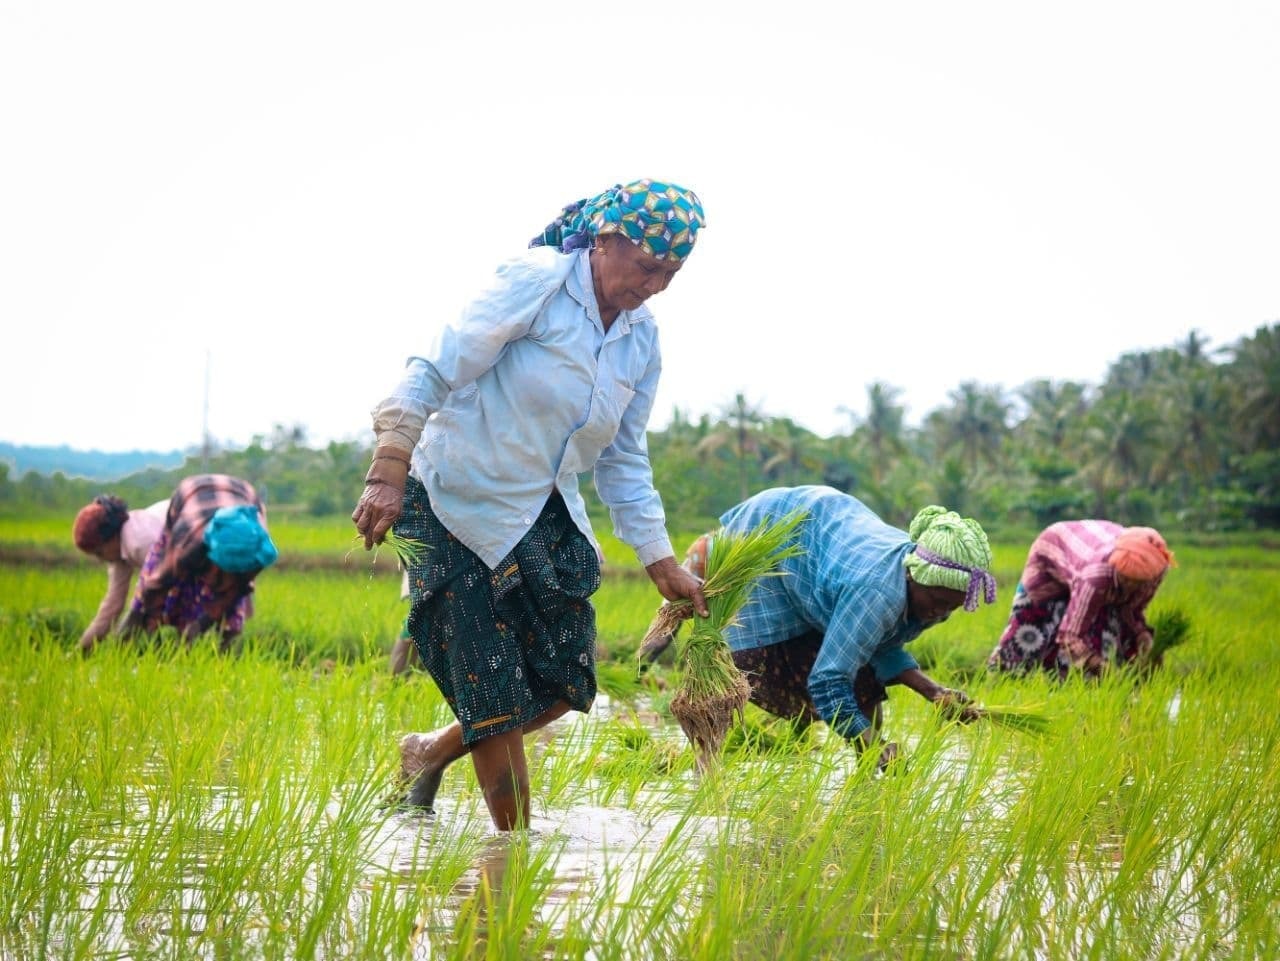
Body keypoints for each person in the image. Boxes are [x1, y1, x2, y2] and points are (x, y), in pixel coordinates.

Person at [352, 179, 710, 831]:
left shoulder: (640, 338)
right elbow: (438, 363)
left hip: (541, 507)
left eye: (671, 273)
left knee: (563, 679)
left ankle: (427, 750)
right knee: (488, 685)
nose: (655, 284)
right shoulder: (538, 282)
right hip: (454, 498)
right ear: (605, 241)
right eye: (648, 265)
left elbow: (624, 456)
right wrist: (388, 465)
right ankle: (512, 855)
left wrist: (661, 563)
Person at [641, 485, 998, 770]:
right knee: (734, 667)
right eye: (935, 601)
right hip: (780, 539)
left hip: (825, 552)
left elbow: (877, 642)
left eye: (949, 608)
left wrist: (933, 692)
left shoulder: (921, 594)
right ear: (913, 573)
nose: (937, 613)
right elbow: (827, 681)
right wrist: (874, 746)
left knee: (863, 679)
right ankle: (706, 777)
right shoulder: (876, 592)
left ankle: (865, 785)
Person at [74, 474, 277, 653]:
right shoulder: (188, 546)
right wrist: (137, 619)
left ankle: (221, 653)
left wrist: (202, 623)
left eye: (99, 552)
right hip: (192, 496)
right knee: (163, 591)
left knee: (221, 596)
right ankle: (164, 649)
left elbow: (238, 588)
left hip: (243, 499)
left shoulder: (259, 550)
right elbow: (156, 585)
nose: (101, 559)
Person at [986, 520, 1174, 677]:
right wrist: (1098, 664)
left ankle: (1087, 688)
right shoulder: (1095, 577)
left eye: (1137, 582)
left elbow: (1131, 611)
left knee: (1108, 632)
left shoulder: (1155, 571)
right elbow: (1070, 635)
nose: (1132, 586)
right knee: (1033, 626)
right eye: (1126, 579)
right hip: (1052, 558)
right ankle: (1000, 676)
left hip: (1087, 560)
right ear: (1117, 568)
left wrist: (1144, 638)